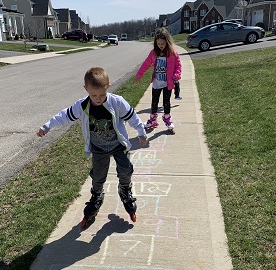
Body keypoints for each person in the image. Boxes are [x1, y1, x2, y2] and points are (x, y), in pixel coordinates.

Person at [37, 67, 148, 227]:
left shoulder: (117, 102)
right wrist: (47, 126)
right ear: (86, 89)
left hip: (118, 145)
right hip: (98, 148)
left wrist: (141, 132)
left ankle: (124, 189)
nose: (98, 98)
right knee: (97, 176)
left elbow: (132, 116)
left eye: (102, 94)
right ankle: (97, 195)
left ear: (108, 87)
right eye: (93, 95)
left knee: (125, 169)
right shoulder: (82, 106)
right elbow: (64, 116)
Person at [135, 28, 182, 133]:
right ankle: (152, 119)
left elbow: (178, 66)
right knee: (154, 102)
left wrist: (176, 75)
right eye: (158, 43)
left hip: (167, 83)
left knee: (166, 102)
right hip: (157, 83)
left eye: (163, 43)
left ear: (167, 42)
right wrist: (139, 75)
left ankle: (167, 118)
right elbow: (146, 64)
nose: (161, 45)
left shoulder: (172, 53)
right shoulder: (154, 53)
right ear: (156, 43)